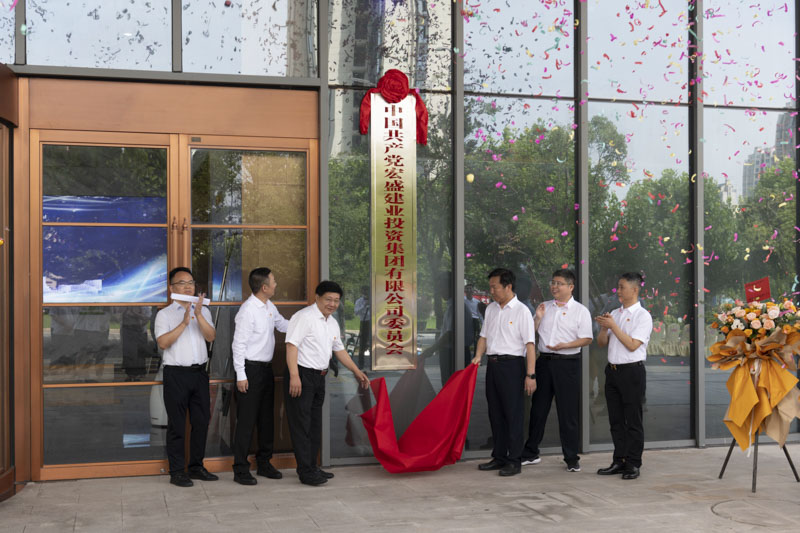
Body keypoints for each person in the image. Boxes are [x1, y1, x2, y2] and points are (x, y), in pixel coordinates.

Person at [284, 281, 370, 486]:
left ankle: (312, 466)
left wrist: (356, 371)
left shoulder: (331, 322)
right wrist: (294, 376)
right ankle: (305, 471)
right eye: (328, 299)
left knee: (314, 424)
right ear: (317, 298)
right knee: (301, 425)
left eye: (336, 300)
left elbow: (339, 349)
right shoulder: (304, 317)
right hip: (302, 375)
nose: (332, 304)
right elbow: (291, 345)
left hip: (320, 376)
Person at [522, 269, 593, 472]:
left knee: (567, 412)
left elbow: (587, 338)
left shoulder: (580, 311)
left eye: (559, 283)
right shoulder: (544, 307)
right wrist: (537, 318)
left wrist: (566, 345)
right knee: (538, 409)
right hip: (544, 362)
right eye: (553, 282)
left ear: (571, 287)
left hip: (567, 364)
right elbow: (530, 334)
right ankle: (531, 453)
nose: (554, 286)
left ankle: (571, 458)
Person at [154, 267, 218, 487]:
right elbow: (163, 343)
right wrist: (183, 323)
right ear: (172, 287)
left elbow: (211, 336)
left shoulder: (203, 311)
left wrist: (197, 315)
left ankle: (196, 467)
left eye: (191, 282)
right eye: (182, 283)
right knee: (177, 425)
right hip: (176, 374)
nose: (188, 287)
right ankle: (177, 471)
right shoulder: (165, 314)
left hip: (199, 373)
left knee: (201, 422)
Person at [471, 268, 537, 477]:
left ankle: (514, 460)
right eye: (490, 287)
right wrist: (478, 356)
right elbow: (484, 337)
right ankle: (499, 456)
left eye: (495, 287)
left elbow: (530, 345)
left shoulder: (521, 311)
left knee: (513, 414)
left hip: (512, 367)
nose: (491, 291)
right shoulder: (491, 309)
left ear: (508, 286)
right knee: (495, 413)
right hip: (493, 366)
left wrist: (531, 375)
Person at [230, 267, 290, 486]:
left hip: (266, 369)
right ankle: (240, 468)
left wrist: (305, 324)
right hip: (249, 370)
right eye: (273, 281)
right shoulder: (248, 311)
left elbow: (283, 325)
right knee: (246, 421)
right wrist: (241, 375)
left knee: (266, 419)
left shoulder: (268, 305)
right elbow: (238, 345)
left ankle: (264, 463)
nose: (276, 284)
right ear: (264, 287)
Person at [595, 272, 652, 480]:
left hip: (632, 371)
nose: (618, 291)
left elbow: (632, 345)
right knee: (615, 419)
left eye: (622, 287)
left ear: (634, 290)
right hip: (612, 371)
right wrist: (604, 328)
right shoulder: (614, 314)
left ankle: (633, 462)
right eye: (617, 287)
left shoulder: (642, 316)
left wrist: (613, 326)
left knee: (633, 419)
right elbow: (602, 343)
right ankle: (619, 460)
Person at [354, 286, 371, 369]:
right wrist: (364, 305)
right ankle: (361, 363)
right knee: (362, 343)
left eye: (367, 291)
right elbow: (356, 312)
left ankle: (373, 363)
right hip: (364, 322)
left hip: (372, 322)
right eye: (364, 291)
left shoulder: (373, 300)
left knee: (373, 342)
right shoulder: (359, 301)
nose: (365, 293)